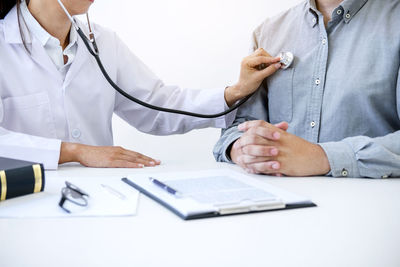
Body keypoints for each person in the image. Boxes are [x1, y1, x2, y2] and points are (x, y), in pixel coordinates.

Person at [0, 0, 282, 170]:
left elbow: (157, 106)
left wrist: (235, 92)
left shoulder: (103, 43)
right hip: (23, 202)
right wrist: (76, 151)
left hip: (100, 197)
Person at [214, 0, 400, 178]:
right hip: (280, 202)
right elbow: (235, 130)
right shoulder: (268, 33)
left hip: (367, 203)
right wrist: (243, 150)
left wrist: (321, 157)